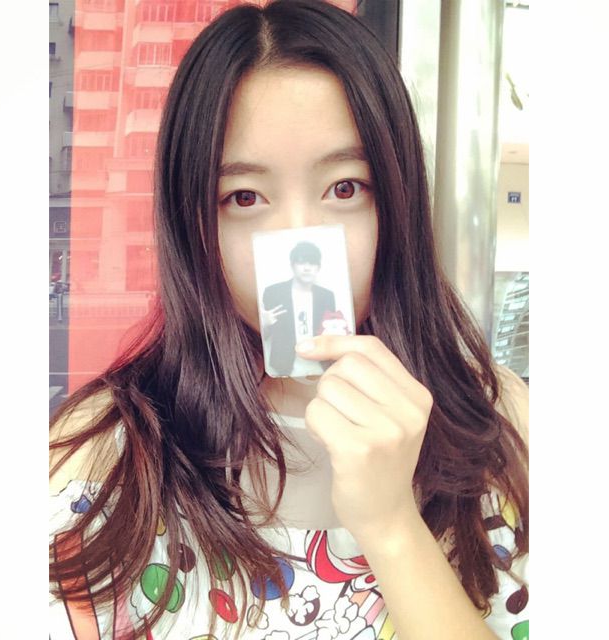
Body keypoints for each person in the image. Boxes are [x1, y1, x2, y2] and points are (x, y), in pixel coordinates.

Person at [49, 2, 529, 639]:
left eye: (345, 188)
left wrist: (391, 525)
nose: (301, 240)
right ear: (193, 227)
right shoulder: (102, 456)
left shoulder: (504, 425)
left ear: (397, 201)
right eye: (245, 197)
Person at [261, 241, 336, 376]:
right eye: (301, 262)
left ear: (318, 267)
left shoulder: (327, 296)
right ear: (292, 265)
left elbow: (330, 333)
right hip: (283, 367)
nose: (307, 268)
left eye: (312, 263)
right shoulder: (273, 293)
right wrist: (264, 324)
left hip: (320, 366)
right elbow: (263, 337)